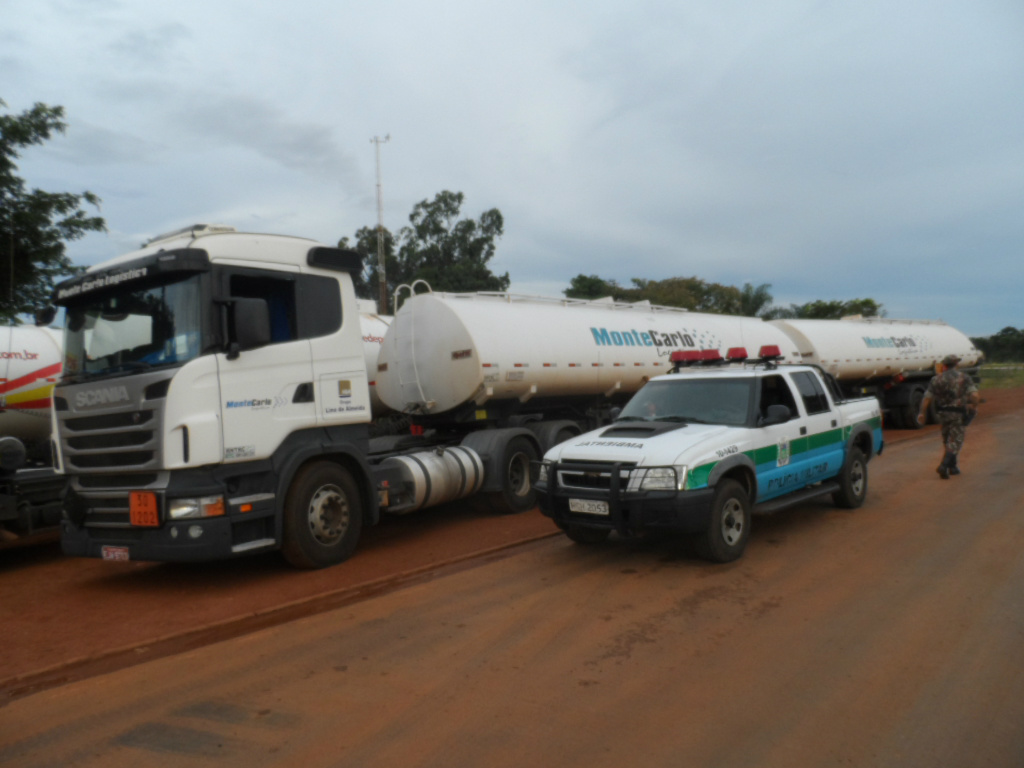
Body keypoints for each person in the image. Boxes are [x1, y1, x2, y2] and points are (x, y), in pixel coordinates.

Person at [917, 354, 980, 479]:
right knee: (956, 441)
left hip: (942, 414)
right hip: (958, 413)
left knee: (947, 439)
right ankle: (943, 465)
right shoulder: (964, 377)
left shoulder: (936, 379)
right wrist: (974, 405)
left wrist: (922, 412)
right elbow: (974, 395)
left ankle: (953, 467)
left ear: (944, 365)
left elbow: (927, 398)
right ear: (956, 364)